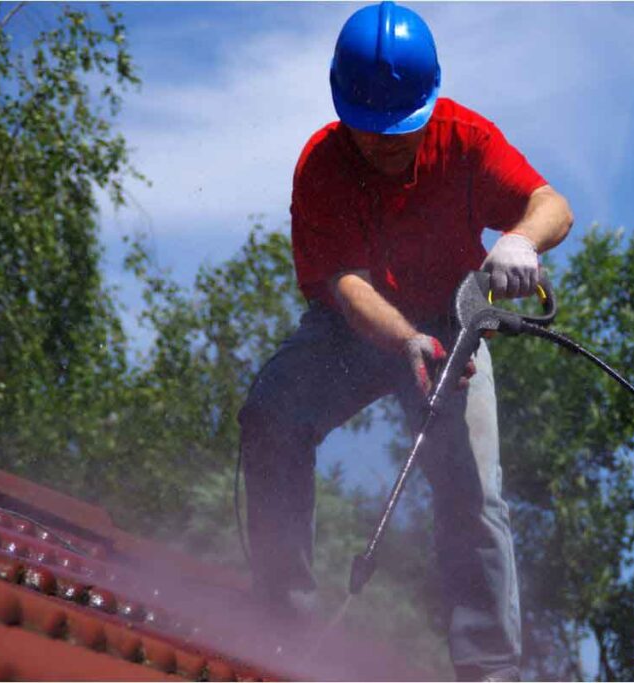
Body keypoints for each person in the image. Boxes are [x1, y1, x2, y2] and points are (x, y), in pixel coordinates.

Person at [237, 2, 573, 680]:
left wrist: (518, 240)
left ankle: (489, 667)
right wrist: (404, 340)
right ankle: (282, 625)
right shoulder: (322, 168)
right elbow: (349, 286)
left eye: (402, 128)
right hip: (354, 331)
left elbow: (553, 206)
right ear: (343, 111)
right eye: (371, 129)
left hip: (453, 330)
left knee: (474, 489)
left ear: (430, 102)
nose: (388, 142)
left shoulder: (467, 140)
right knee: (271, 414)